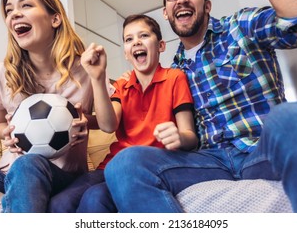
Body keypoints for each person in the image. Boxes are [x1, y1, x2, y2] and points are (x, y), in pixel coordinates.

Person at [103, 0, 297, 213]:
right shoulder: (174, 72)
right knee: (125, 163)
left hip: (260, 149)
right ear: (166, 13)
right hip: (208, 162)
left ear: (207, 5)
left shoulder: (240, 27)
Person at [0, 0, 106, 212]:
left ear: (55, 19)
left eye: (25, 5)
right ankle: (5, 203)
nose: (14, 14)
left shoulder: (86, 67)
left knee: (30, 162)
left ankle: (14, 206)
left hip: (63, 177)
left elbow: (108, 123)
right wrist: (5, 132)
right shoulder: (0, 73)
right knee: (23, 165)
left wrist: (84, 121)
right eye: (9, 10)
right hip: (10, 175)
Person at [48, 14, 198, 212]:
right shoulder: (121, 85)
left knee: (94, 199)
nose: (136, 42)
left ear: (161, 46)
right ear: (126, 54)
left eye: (143, 36)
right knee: (60, 203)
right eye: (129, 39)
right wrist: (98, 78)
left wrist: (180, 137)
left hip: (151, 164)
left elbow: (191, 137)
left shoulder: (175, 78)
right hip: (112, 164)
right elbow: (108, 125)